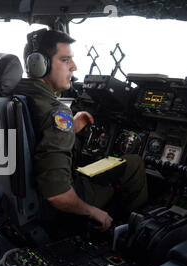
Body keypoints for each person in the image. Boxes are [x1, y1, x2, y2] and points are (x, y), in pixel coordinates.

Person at [15, 29, 148, 235]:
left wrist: (69, 129)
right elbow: (57, 194)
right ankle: (130, 234)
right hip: (51, 203)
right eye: (65, 59)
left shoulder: (14, 94)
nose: (74, 67)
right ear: (40, 64)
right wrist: (93, 212)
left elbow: (32, 135)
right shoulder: (55, 112)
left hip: (17, 196)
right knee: (134, 164)